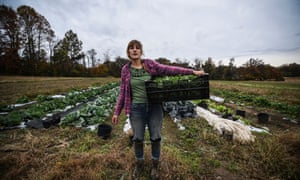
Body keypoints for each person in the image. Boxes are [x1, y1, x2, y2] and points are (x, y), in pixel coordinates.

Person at [112, 40, 205, 179]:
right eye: (131, 48)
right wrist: (116, 112)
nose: (135, 50)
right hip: (136, 108)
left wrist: (192, 72)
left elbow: (170, 70)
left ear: (141, 51)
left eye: (137, 48)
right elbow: (122, 92)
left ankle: (155, 165)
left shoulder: (149, 65)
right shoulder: (125, 70)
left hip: (154, 107)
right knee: (137, 138)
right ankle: (139, 163)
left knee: (155, 137)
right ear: (128, 52)